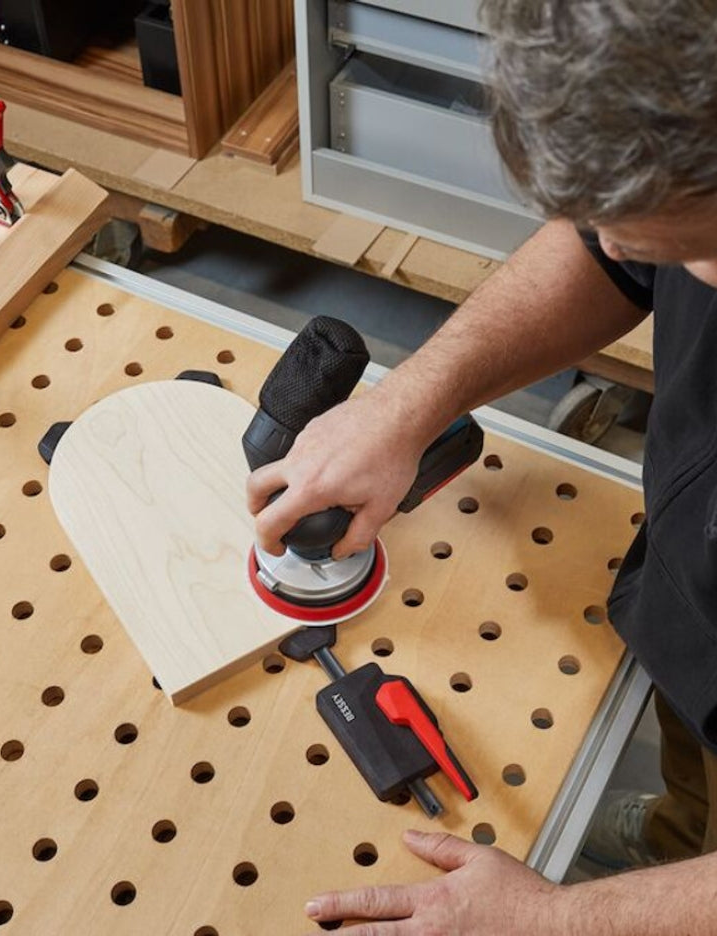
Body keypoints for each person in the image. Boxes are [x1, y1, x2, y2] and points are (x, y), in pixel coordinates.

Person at [247, 1, 717, 932]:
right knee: (691, 777)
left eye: (691, 248)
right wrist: (409, 403)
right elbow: (616, 252)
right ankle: (683, 832)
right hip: (695, 613)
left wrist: (566, 921)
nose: (622, 248)